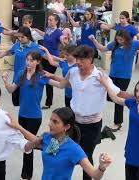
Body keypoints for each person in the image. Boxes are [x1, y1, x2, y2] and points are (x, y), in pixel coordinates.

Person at [49, 45, 124, 180]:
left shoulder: (100, 76)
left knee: (85, 156)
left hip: (92, 124)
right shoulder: (73, 72)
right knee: (63, 151)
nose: (78, 62)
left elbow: (117, 94)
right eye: (77, 58)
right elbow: (62, 85)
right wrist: (46, 79)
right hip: (73, 122)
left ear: (90, 59)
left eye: (81, 59)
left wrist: (137, 99)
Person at [1, 50, 62, 180]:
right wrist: (5, 81)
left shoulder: (41, 75)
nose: (28, 63)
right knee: (26, 143)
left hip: (35, 116)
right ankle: (40, 146)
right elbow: (11, 89)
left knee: (28, 144)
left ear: (38, 61)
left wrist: (53, 75)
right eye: (27, 60)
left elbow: (61, 85)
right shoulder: (21, 73)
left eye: (32, 60)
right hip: (22, 114)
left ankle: (27, 174)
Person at [8, 107, 113, 180]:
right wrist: (18, 127)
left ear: (66, 127)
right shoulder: (48, 137)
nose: (49, 124)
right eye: (50, 120)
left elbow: (95, 175)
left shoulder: (74, 149)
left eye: (55, 121)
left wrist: (102, 167)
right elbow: (36, 140)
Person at [89, 29, 139, 132]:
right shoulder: (114, 44)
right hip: (113, 74)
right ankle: (133, 97)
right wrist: (94, 40)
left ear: (126, 38)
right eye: (118, 39)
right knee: (108, 95)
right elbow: (102, 49)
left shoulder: (134, 44)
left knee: (118, 98)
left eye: (121, 39)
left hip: (124, 76)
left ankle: (117, 123)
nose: (119, 41)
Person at [100, 77, 139, 180]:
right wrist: (106, 84)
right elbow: (115, 98)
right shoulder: (133, 103)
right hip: (131, 149)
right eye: (137, 91)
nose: (138, 94)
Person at [31, 13, 66, 109]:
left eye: (51, 20)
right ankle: (38, 98)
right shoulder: (48, 29)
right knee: (39, 74)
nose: (49, 21)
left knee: (48, 78)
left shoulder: (58, 32)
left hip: (53, 57)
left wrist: (64, 40)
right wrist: (37, 30)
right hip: (43, 57)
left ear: (56, 21)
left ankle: (48, 102)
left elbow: (62, 38)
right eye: (48, 19)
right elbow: (45, 35)